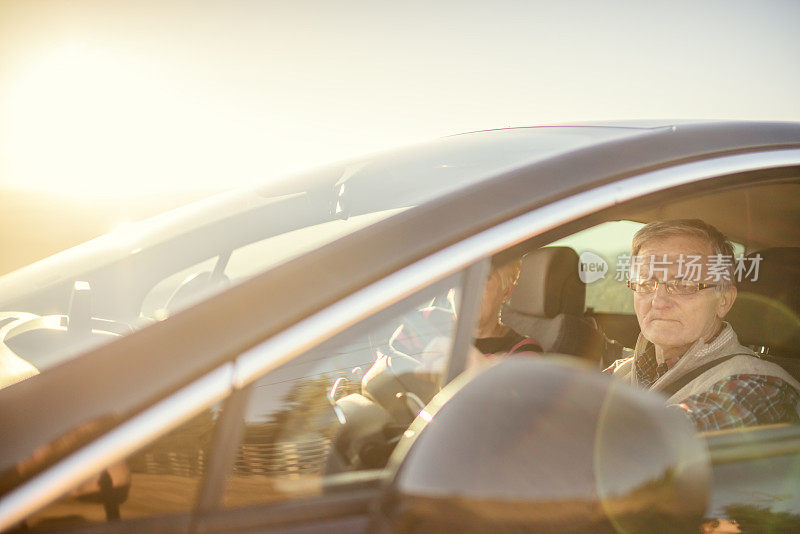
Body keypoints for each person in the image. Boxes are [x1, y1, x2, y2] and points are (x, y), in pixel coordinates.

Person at [605, 219, 800, 432]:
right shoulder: (624, 370)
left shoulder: (759, 387)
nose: (658, 302)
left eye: (683, 285)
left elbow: (648, 442)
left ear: (723, 300)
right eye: (645, 284)